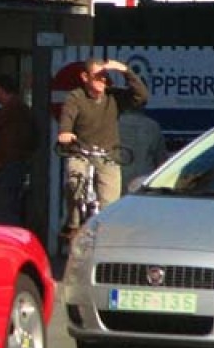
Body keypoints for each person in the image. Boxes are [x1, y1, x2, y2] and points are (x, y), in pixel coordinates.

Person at [57, 57, 149, 239]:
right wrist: (65, 133)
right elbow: (67, 118)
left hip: (107, 155)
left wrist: (125, 70)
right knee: (74, 182)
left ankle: (106, 238)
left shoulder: (114, 97)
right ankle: (73, 223)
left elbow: (142, 97)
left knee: (110, 203)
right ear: (85, 77)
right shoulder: (76, 97)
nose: (103, 81)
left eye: (105, 77)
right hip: (81, 152)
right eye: (98, 76)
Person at [0, 73, 36, 226]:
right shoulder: (23, 109)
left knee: (3, 209)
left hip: (6, 163)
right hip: (15, 162)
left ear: (1, 90)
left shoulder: (11, 108)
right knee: (8, 206)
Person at [118, 106, 168, 192]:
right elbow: (161, 160)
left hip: (118, 181)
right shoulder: (152, 125)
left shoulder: (111, 124)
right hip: (144, 182)